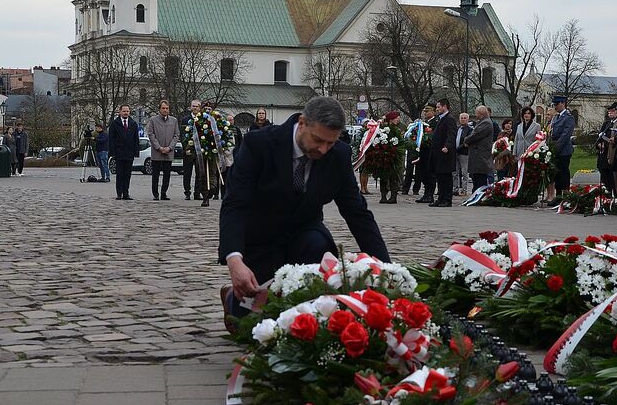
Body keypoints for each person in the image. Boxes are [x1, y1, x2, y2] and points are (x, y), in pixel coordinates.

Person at [218, 96, 390, 327]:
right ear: (302, 123)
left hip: (306, 237)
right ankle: (231, 296)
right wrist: (235, 260)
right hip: (260, 238)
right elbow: (235, 204)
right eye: (318, 140)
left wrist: (385, 269)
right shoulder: (258, 144)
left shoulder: (338, 155)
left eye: (330, 143)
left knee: (311, 313)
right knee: (251, 324)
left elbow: (357, 213)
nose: (323, 149)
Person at [146, 99, 179, 201]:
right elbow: (151, 134)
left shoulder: (174, 120)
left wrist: (170, 147)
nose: (165, 110)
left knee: (167, 174)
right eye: (163, 108)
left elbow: (176, 135)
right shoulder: (153, 120)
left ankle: (164, 193)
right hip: (157, 152)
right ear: (159, 109)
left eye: (167, 108)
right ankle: (155, 194)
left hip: (168, 152)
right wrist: (158, 147)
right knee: (155, 174)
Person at [108, 104, 140, 200]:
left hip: (129, 153)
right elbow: (111, 139)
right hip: (119, 152)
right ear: (120, 112)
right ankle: (119, 193)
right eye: (124, 111)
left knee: (127, 174)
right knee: (120, 174)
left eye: (127, 111)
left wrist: (136, 152)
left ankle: (126, 193)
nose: (126, 113)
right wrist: (113, 152)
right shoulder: (115, 123)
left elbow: (136, 139)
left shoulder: (133, 123)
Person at [429, 98, 457, 207]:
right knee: (440, 177)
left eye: (438, 107)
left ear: (445, 107)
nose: (437, 109)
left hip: (445, 153)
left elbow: (451, 134)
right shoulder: (441, 119)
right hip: (438, 153)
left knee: (446, 177)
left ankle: (447, 199)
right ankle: (440, 198)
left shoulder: (449, 119)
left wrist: (447, 146)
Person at [549, 95, 575, 204]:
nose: (555, 106)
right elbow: (552, 133)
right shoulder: (556, 117)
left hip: (563, 150)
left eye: (557, 104)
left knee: (563, 173)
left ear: (563, 103)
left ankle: (566, 195)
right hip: (555, 149)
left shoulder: (568, 118)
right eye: (554, 104)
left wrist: (556, 148)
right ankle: (558, 195)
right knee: (556, 174)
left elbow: (565, 135)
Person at [463, 105, 495, 192]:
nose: (475, 114)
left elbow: (475, 135)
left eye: (476, 113)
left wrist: (466, 140)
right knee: (476, 179)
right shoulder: (482, 122)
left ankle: (478, 195)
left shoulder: (486, 123)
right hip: (477, 156)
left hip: (481, 156)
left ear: (481, 113)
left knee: (480, 181)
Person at [596, 103, 617, 195]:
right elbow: (600, 136)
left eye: (612, 111)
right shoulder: (607, 124)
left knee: (614, 180)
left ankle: (616, 197)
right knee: (605, 180)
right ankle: (607, 197)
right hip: (603, 155)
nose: (610, 113)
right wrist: (599, 144)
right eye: (608, 112)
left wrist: (606, 144)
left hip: (613, 155)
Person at [180, 100, 201, 200]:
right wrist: (186, 148)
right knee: (187, 172)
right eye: (193, 106)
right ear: (191, 107)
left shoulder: (203, 119)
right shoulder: (185, 119)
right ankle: (187, 192)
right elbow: (182, 135)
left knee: (199, 173)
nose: (195, 108)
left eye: (197, 106)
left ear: (200, 108)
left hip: (199, 150)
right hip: (188, 150)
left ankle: (197, 193)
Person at [453, 112, 472, 196]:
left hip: (464, 153)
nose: (463, 119)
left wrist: (458, 148)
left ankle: (464, 189)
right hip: (455, 153)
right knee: (455, 172)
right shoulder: (457, 128)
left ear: (468, 119)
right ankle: (455, 189)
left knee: (464, 172)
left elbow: (467, 142)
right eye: (461, 118)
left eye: (465, 118)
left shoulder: (470, 130)